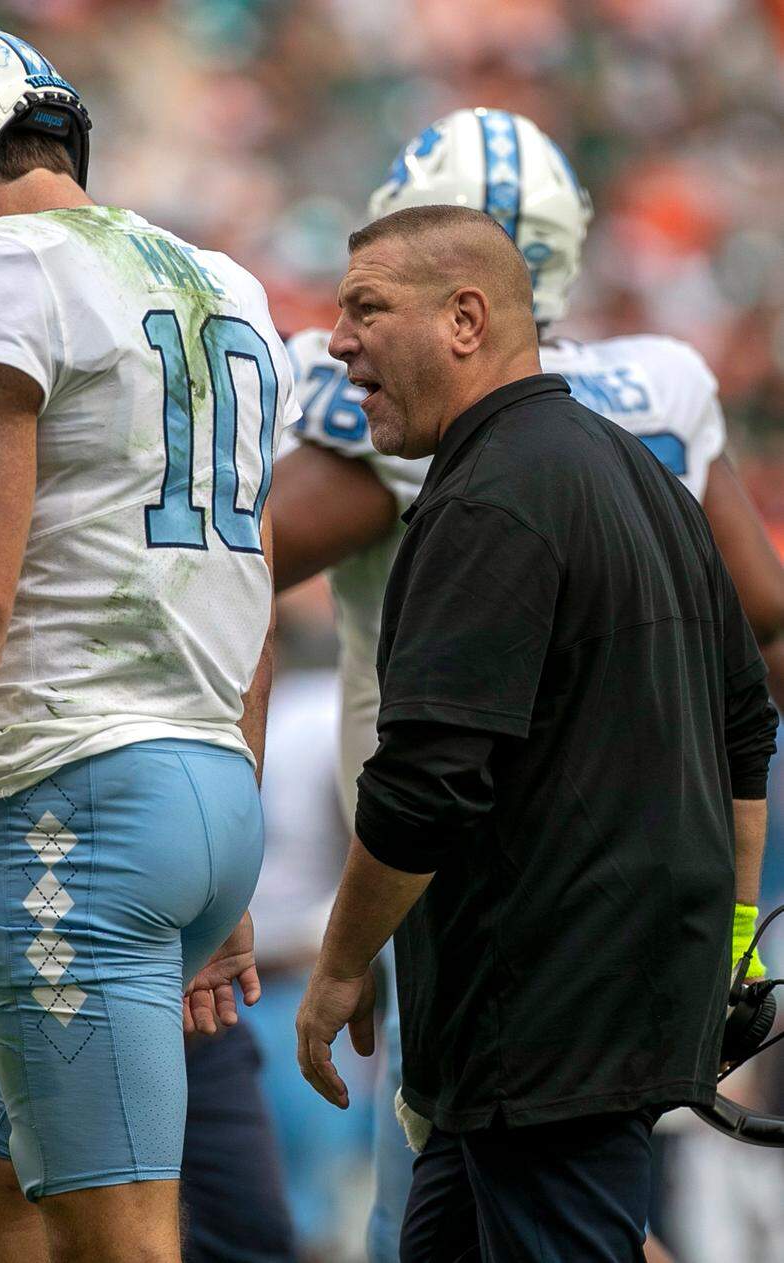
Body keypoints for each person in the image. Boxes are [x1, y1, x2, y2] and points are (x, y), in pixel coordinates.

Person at [267, 107, 784, 1263]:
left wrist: (342, 961)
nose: (337, 342)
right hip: (555, 1018)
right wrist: (733, 933)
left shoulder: (486, 496)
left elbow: (430, 781)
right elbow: (747, 723)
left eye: (366, 310)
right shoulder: (640, 469)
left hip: (540, 1020)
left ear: (467, 319)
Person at [0, 24, 297, 1263]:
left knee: (126, 1241)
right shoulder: (223, 282)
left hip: (85, 804)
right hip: (203, 792)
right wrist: (228, 851)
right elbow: (246, 589)